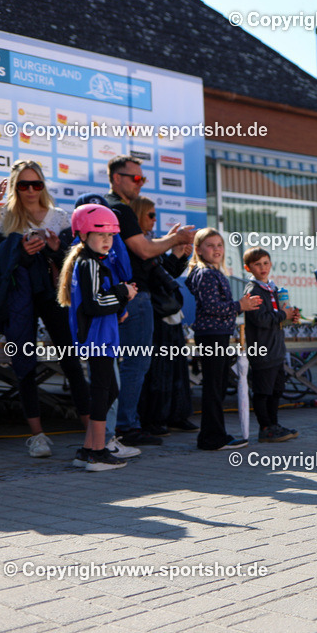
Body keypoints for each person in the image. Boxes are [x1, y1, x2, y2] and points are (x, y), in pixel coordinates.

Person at [0, 160, 91, 458]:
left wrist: (54, 249)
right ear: (15, 187)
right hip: (17, 298)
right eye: (23, 185)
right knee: (23, 365)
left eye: (35, 184)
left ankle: (93, 430)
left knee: (70, 361)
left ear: (43, 186)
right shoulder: (1, 216)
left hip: (52, 295)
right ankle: (37, 436)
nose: (29, 190)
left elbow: (77, 261)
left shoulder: (59, 217)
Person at [104, 155, 195, 447]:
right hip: (132, 298)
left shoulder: (109, 208)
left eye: (143, 178)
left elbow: (149, 260)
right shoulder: (120, 209)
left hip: (121, 296)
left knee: (122, 364)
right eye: (136, 178)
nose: (140, 183)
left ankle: (120, 426)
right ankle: (126, 426)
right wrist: (175, 239)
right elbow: (143, 251)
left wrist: (171, 244)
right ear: (117, 178)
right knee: (135, 363)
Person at [57, 204, 138, 470]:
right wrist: (123, 294)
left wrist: (118, 305)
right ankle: (98, 452)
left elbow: (97, 302)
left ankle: (88, 449)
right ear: (83, 235)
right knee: (103, 392)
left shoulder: (92, 262)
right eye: (100, 234)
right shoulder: (89, 263)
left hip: (103, 335)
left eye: (111, 235)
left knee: (107, 390)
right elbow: (93, 304)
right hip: (97, 339)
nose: (107, 240)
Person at [185, 228, 261, 450]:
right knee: (213, 387)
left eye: (219, 245)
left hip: (214, 334)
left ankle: (213, 435)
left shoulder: (210, 272)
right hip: (212, 335)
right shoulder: (207, 274)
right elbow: (211, 307)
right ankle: (212, 438)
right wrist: (240, 306)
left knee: (215, 386)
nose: (216, 249)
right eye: (210, 245)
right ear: (198, 250)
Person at [133, 197, 196, 436]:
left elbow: (165, 274)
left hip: (169, 313)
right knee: (157, 371)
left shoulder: (152, 242)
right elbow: (152, 277)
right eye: (150, 215)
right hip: (154, 313)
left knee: (178, 368)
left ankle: (177, 414)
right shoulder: (139, 245)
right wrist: (172, 249)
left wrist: (178, 254)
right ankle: (154, 418)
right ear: (138, 215)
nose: (154, 220)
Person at [242, 246, 300, 443]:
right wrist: (283, 315)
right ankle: (265, 427)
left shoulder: (272, 289)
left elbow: (277, 318)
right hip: (262, 349)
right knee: (263, 391)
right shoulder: (253, 290)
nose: (263, 267)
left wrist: (290, 317)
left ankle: (274, 425)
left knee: (276, 390)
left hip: (276, 349)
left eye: (266, 263)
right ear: (248, 268)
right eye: (257, 264)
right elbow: (261, 319)